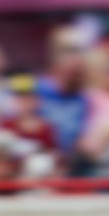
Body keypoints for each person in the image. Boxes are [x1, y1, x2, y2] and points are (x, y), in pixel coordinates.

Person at [37, 29, 91, 159]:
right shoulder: (37, 90)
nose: (73, 76)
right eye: (69, 72)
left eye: (77, 74)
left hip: (73, 160)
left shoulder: (83, 98)